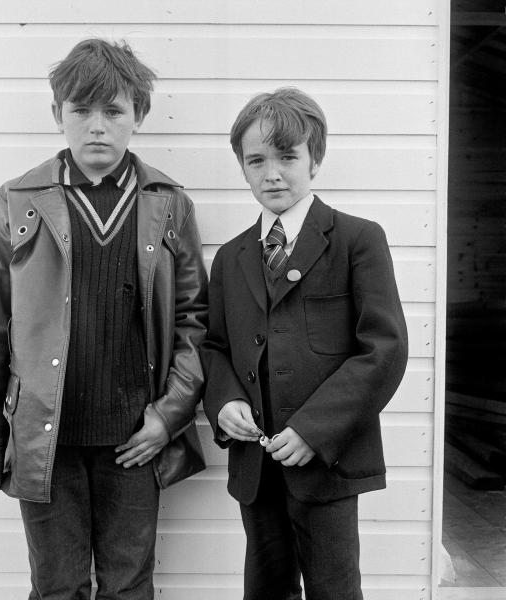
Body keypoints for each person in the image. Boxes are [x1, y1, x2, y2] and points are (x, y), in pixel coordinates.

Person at [0, 38, 208, 600]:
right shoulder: (18, 200)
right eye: (81, 110)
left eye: (113, 110)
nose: (97, 126)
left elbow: (195, 322)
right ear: (58, 115)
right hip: (44, 441)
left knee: (129, 585)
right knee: (57, 587)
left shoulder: (168, 203)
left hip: (136, 439)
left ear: (138, 116)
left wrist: (168, 417)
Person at [201, 87, 408, 600]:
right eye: (257, 161)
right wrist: (224, 401)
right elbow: (215, 346)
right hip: (257, 464)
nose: (272, 173)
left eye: (287, 156)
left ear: (315, 158)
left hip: (328, 462)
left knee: (334, 589)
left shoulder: (358, 239)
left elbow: (383, 349)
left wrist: (314, 430)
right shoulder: (231, 258)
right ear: (243, 169)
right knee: (266, 587)